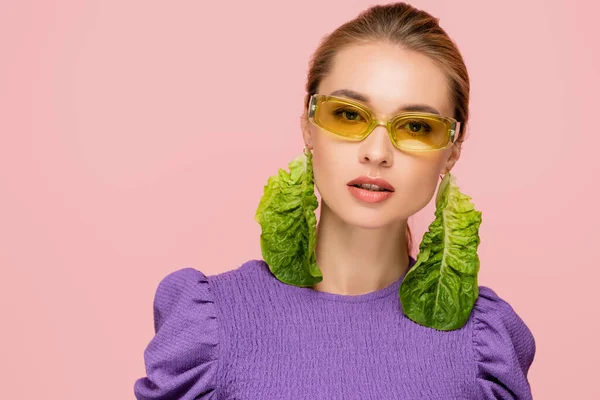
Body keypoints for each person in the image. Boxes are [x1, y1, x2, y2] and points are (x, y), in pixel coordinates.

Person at [133, 2, 536, 399]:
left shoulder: (483, 346)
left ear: (452, 151)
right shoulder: (212, 325)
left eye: (416, 126)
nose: (377, 152)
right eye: (348, 115)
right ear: (308, 126)